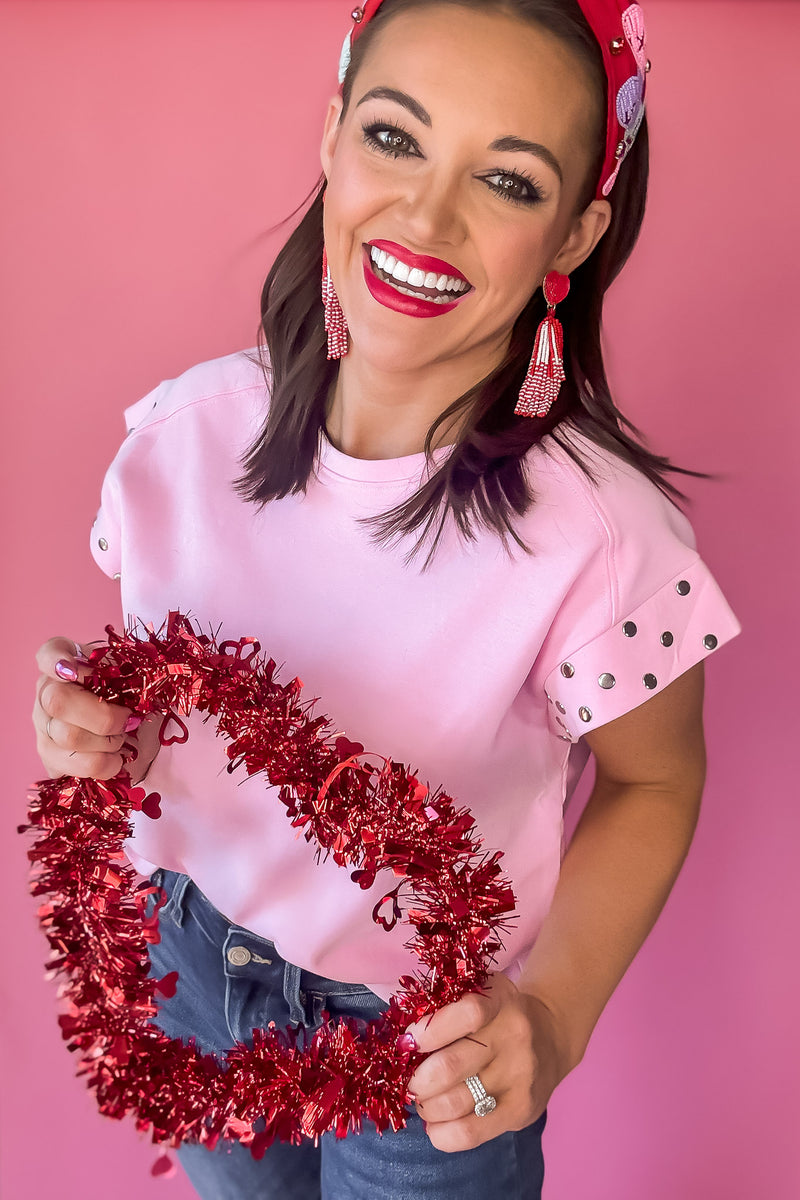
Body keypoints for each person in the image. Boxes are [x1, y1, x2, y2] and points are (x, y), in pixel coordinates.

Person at [31, 1, 741, 1197]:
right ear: (331, 138)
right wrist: (97, 732)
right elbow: (164, 713)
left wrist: (553, 1018)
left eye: (507, 182)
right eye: (395, 139)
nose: (426, 216)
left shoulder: (605, 538)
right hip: (195, 969)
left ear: (573, 232)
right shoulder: (177, 439)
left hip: (430, 1045)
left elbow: (653, 777)